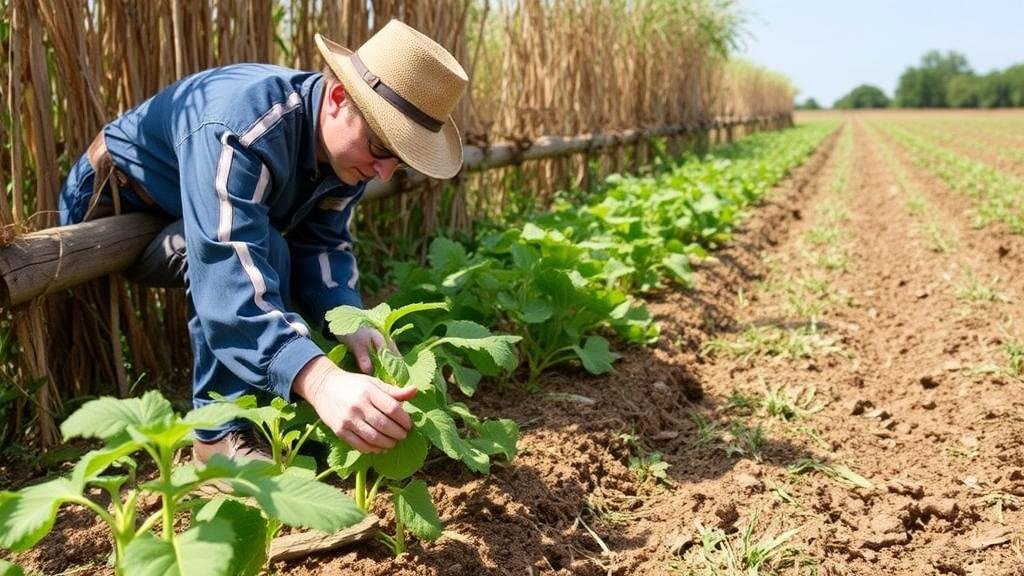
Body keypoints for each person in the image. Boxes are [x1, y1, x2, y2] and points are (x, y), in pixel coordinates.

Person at [57, 19, 468, 461]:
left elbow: (323, 247)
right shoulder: (244, 126)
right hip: (118, 205)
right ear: (336, 99)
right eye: (383, 148)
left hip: (190, 211)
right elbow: (227, 265)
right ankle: (217, 438)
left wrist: (353, 321)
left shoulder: (349, 155)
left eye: (399, 160)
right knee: (264, 252)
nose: (384, 173)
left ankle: (281, 420)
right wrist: (323, 382)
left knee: (280, 256)